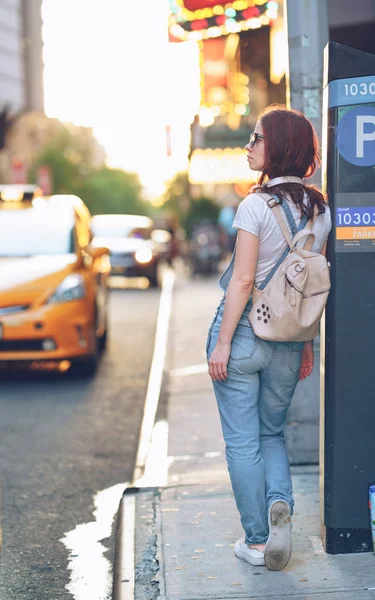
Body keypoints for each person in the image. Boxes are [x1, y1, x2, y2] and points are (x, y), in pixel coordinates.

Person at [206, 105, 331, 571]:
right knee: (272, 432)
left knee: (243, 442)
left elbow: (242, 282)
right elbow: (306, 287)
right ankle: (280, 506)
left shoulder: (254, 206)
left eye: (255, 139)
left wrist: (222, 343)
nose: (248, 146)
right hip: (286, 337)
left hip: (242, 334)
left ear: (277, 146)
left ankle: (258, 541)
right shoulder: (322, 213)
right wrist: (304, 345)